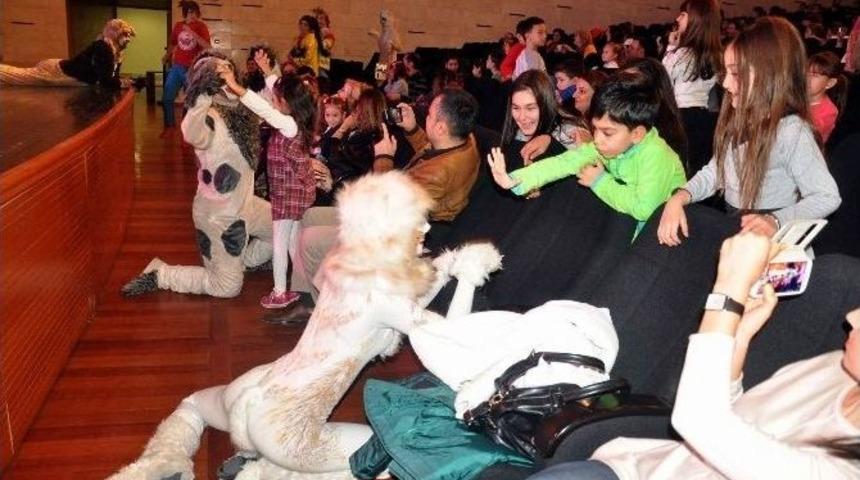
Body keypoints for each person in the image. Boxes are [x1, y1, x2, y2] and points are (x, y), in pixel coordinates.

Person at [527, 232, 860, 480]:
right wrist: (739, 335)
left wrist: (728, 291)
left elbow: (701, 420)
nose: (852, 318)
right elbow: (735, 414)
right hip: (645, 470)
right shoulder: (836, 368)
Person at [122, 51, 295, 299]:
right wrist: (202, 93)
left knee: (281, 227)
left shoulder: (244, 111)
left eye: (227, 70)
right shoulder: (208, 116)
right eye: (217, 73)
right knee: (226, 288)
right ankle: (160, 274)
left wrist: (269, 71)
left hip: (246, 204)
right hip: (220, 215)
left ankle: (240, 261)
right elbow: (192, 133)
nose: (225, 76)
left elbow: (271, 102)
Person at [658, 17, 842, 247]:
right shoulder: (739, 118)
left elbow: (826, 196)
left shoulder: (791, 131)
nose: (724, 83)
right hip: (737, 226)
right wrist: (681, 195)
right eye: (726, 73)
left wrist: (776, 220)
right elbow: (716, 171)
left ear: (769, 75)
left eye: (735, 74)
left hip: (772, 240)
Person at [292, 89, 482, 299]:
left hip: (399, 233)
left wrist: (383, 157)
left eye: (429, 115)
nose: (424, 117)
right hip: (397, 215)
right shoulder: (464, 141)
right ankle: (304, 294)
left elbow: (388, 202)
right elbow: (432, 152)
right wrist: (412, 130)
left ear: (440, 127)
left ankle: (328, 315)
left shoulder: (440, 173)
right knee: (310, 216)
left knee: (310, 240)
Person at [489, 74, 686, 234]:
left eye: (607, 132)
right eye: (595, 129)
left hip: (660, 232)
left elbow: (644, 209)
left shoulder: (655, 155)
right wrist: (515, 180)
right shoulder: (606, 144)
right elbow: (565, 162)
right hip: (629, 226)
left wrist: (600, 181)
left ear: (637, 134)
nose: (597, 139)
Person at [221, 53, 318, 309]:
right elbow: (280, 94)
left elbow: (264, 108)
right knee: (293, 241)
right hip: (295, 191)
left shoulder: (289, 125)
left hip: (289, 194)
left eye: (276, 98)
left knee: (280, 241)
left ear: (286, 103)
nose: (273, 100)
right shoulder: (295, 121)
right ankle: (302, 283)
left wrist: (237, 87)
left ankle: (279, 292)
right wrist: (268, 71)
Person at [662, 0, 722, 174]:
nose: (677, 18)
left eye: (682, 15)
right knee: (696, 169)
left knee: (678, 170)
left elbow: (663, 80)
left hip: (680, 115)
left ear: (696, 18)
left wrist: (671, 47)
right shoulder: (716, 53)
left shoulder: (682, 53)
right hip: (704, 118)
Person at [0, 18, 135, 88]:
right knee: (16, 77)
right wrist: (128, 83)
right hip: (56, 72)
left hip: (62, 71)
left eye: (129, 35)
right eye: (124, 34)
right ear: (114, 34)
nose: (128, 39)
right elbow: (106, 81)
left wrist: (123, 82)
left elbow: (110, 78)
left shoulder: (114, 52)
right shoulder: (103, 47)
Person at [162, 1, 210, 133]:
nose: (192, 14)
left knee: (190, 101)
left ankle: (186, 128)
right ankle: (170, 126)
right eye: (189, 11)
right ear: (185, 12)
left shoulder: (201, 26)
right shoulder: (178, 26)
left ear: (197, 13)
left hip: (192, 69)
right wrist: (167, 56)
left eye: (194, 12)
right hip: (176, 67)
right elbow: (172, 43)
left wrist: (191, 32)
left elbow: (207, 46)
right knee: (167, 97)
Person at [807, 51, 846, 144]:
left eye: (814, 75)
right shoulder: (798, 98)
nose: (807, 78)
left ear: (830, 83)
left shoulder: (829, 112)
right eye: (805, 73)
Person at [312, 7, 335, 79]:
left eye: (321, 18)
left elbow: (324, 46)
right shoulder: (313, 34)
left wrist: (321, 35)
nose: (318, 21)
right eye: (316, 18)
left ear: (326, 21)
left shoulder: (329, 35)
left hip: (321, 67)